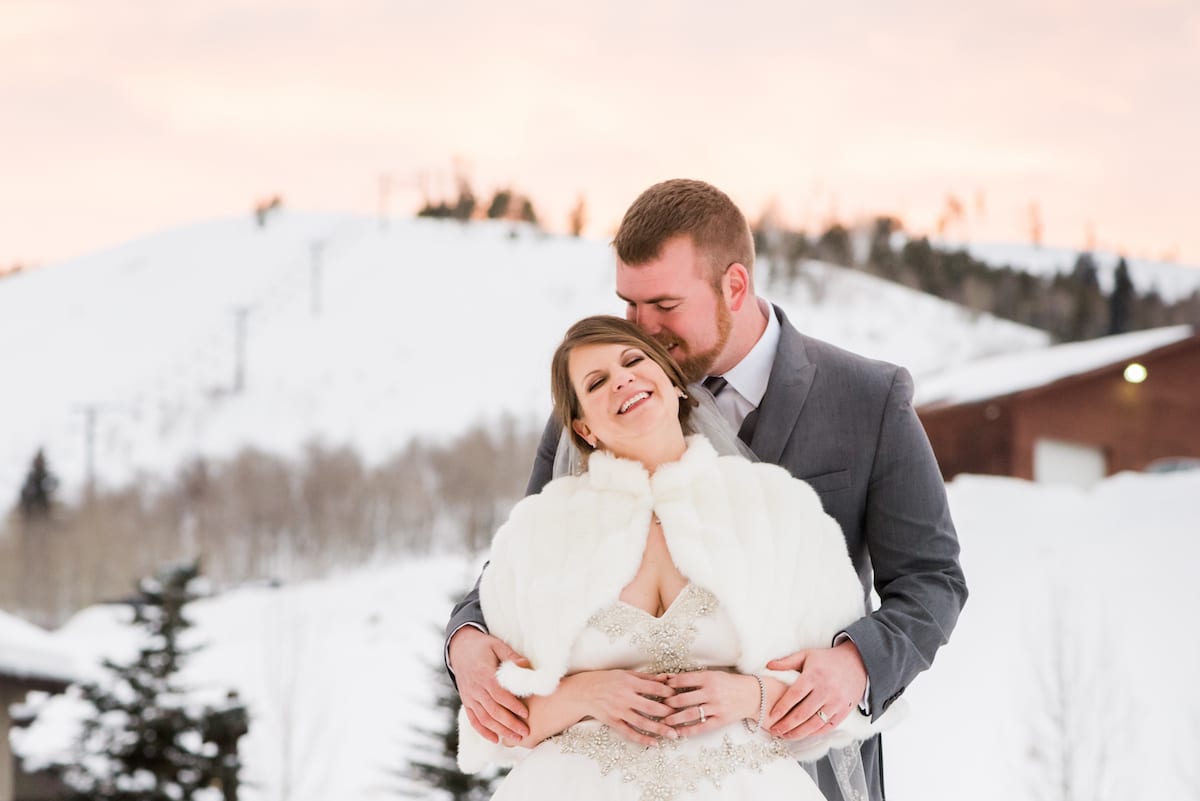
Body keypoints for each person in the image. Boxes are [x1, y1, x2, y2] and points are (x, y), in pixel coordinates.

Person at [447, 179, 968, 800]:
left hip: (799, 764)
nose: (642, 329)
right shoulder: (603, 407)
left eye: (663, 305)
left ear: (735, 286)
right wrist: (466, 641)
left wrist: (856, 664)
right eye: (629, 305)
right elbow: (529, 560)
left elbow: (933, 579)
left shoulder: (867, 398)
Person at [458, 315, 898, 800]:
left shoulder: (778, 509)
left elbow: (833, 697)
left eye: (633, 361)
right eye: (596, 382)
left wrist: (750, 696)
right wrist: (583, 695)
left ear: (674, 383)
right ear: (583, 428)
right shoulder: (539, 533)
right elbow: (497, 725)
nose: (621, 379)